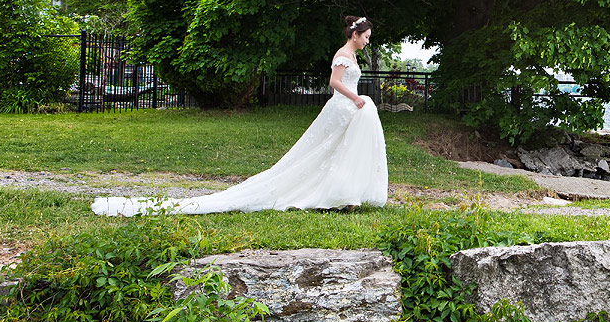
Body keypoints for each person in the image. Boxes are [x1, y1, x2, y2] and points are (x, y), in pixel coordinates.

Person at [92, 16, 388, 216]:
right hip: (341, 106)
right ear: (354, 34)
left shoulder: (353, 56)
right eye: (366, 37)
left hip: (349, 107)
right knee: (320, 150)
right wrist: (356, 98)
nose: (367, 41)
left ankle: (342, 194)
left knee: (338, 150)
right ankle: (328, 194)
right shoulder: (341, 55)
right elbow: (334, 83)